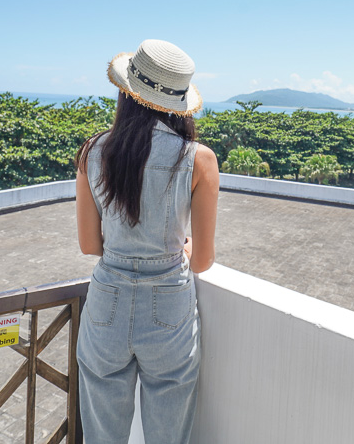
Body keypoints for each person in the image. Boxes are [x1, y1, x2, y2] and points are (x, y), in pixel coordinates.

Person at [74, 39, 219, 444]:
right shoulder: (198, 159)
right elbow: (202, 260)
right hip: (169, 306)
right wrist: (182, 247)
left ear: (127, 93)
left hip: (107, 302)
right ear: (178, 102)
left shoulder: (93, 151)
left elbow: (89, 244)